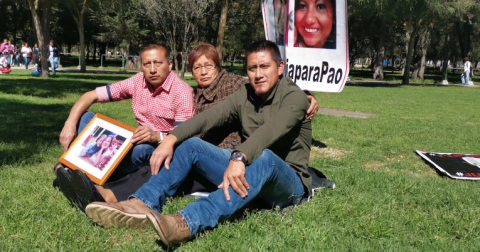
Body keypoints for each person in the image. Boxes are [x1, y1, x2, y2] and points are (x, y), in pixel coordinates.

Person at [85, 40, 314, 247]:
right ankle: (142, 203)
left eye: (265, 67)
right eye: (252, 68)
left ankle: (186, 222)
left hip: (286, 183)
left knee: (265, 157)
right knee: (191, 144)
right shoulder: (245, 93)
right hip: (247, 170)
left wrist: (239, 156)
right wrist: (171, 139)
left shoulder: (295, 97)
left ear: (280, 68)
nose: (258, 74)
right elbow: (207, 117)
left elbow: (271, 130)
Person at [55, 42, 195, 202]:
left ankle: (75, 172)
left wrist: (157, 136)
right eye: (147, 64)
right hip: (136, 139)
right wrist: (69, 124)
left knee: (143, 149)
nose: (152, 69)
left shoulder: (182, 92)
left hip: (160, 147)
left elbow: (183, 138)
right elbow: (90, 96)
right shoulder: (137, 81)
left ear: (169, 65)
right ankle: (78, 170)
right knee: (84, 117)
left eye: (158, 63)